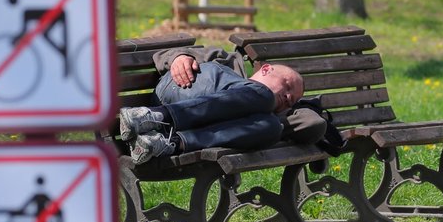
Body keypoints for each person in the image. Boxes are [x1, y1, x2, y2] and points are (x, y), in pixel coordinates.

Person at [120, 45, 327, 165]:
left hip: (185, 130)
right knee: (262, 95)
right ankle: (155, 116)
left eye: (293, 98)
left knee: (271, 127)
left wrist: (297, 109)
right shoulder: (229, 62)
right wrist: (178, 57)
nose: (289, 96)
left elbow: (314, 124)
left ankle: (171, 142)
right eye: (288, 85)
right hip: (179, 93)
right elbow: (168, 53)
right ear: (265, 69)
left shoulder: (265, 119)